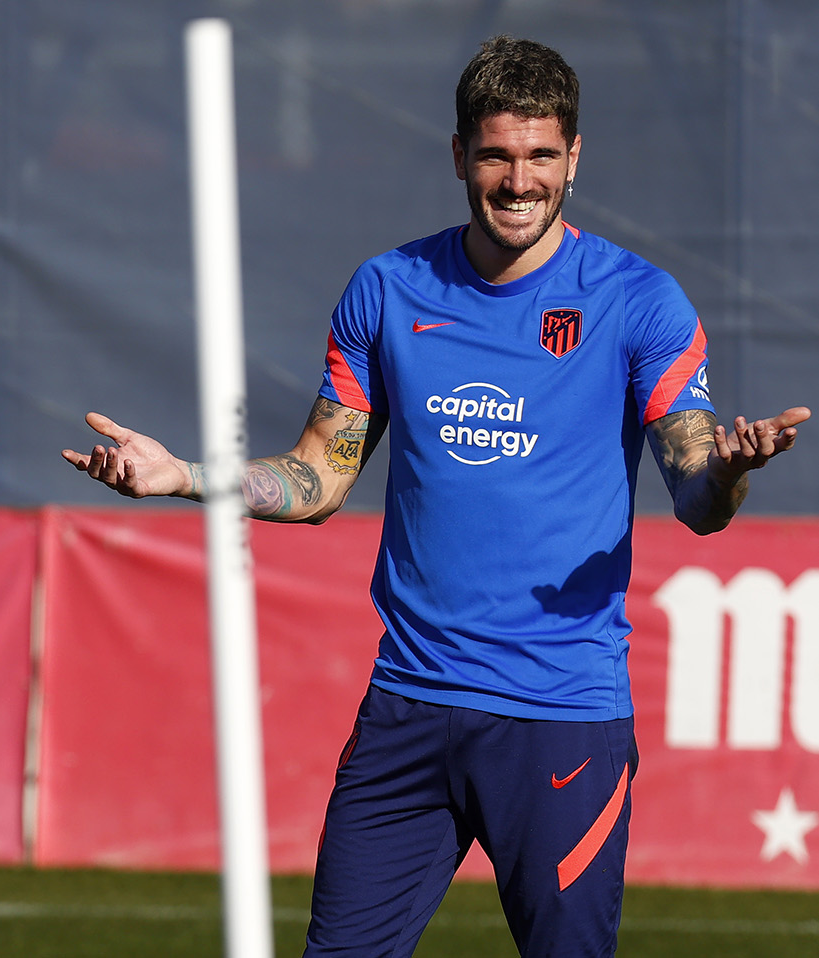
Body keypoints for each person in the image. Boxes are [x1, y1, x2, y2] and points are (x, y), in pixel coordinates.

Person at [62, 35, 808, 958]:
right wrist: (188, 476)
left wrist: (730, 467)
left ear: (575, 156)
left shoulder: (638, 301)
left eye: (541, 156)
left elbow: (696, 494)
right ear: (459, 155)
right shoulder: (385, 290)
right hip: (407, 709)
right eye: (495, 155)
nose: (518, 181)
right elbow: (319, 477)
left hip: (560, 717)